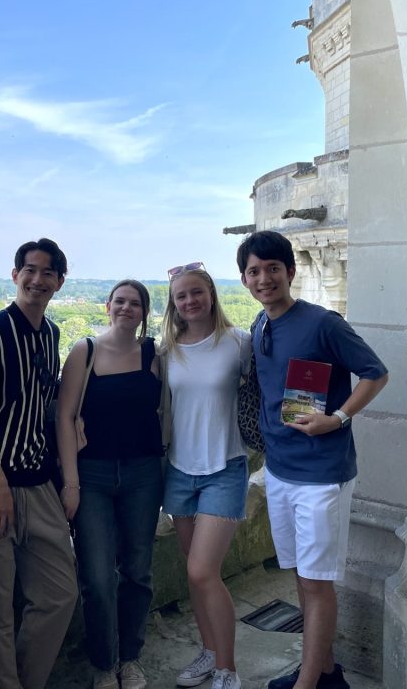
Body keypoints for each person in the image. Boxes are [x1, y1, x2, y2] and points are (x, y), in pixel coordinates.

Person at [235, 231, 388, 689]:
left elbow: (375, 373)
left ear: (290, 271)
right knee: (303, 578)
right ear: (244, 279)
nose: (264, 279)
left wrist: (338, 418)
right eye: (254, 271)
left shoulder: (323, 323)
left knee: (317, 583)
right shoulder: (260, 327)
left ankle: (307, 684)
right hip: (280, 471)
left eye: (272, 269)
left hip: (321, 476)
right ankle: (324, 672)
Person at [0, 238, 78, 689]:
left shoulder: (50, 335)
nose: (37, 279)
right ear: (15, 275)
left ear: (59, 283)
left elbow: (45, 401)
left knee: (59, 595)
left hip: (38, 481)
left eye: (48, 272)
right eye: (30, 270)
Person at [56, 279, 164, 689]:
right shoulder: (85, 351)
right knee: (97, 577)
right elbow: (65, 418)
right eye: (119, 301)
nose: (126, 308)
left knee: (137, 571)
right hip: (93, 475)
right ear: (107, 306)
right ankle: (104, 662)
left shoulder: (154, 354)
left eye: (135, 303)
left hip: (143, 473)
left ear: (144, 312)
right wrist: (71, 482)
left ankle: (130, 658)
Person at [160, 262, 251, 689]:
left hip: (225, 468)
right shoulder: (167, 350)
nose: (190, 301)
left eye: (197, 292)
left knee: (202, 571)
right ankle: (208, 652)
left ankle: (228, 669)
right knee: (196, 574)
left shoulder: (238, 343)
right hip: (180, 471)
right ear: (173, 304)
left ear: (211, 294)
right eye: (182, 296)